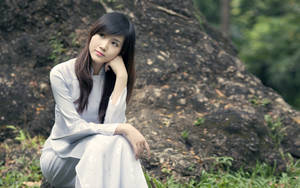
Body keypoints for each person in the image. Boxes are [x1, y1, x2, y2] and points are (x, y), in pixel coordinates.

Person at [40, 12, 151, 188]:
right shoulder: (61, 73)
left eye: (114, 43)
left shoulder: (113, 79)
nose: (104, 46)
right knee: (110, 139)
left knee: (120, 142)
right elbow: (73, 128)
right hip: (61, 159)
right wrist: (122, 128)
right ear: (93, 33)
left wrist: (122, 77)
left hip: (96, 158)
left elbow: (113, 127)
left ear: (121, 51)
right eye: (101, 35)